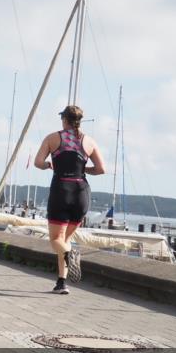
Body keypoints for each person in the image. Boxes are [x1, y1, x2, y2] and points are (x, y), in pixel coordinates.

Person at [34, 105, 105, 294]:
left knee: (56, 240)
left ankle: (69, 254)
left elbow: (37, 163)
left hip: (61, 190)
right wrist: (83, 170)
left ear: (64, 120)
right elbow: (100, 169)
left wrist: (50, 164)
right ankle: (61, 282)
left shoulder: (52, 138)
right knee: (65, 239)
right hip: (81, 192)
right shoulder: (89, 141)